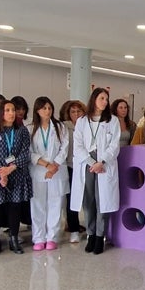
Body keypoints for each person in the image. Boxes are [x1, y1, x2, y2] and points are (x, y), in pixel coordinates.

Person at [72, 87, 122, 255]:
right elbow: (77, 145)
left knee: (103, 202)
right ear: (94, 99)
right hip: (87, 163)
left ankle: (100, 236)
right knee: (89, 201)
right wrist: (91, 161)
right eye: (102, 98)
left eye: (106, 99)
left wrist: (101, 162)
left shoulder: (112, 121)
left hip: (104, 164)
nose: (105, 102)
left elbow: (114, 145)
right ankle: (91, 234)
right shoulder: (82, 121)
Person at [0, 100, 32, 255]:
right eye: (7, 110)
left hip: (16, 173)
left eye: (13, 110)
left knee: (14, 207)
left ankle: (14, 238)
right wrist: (1, 172)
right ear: (0, 113)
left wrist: (11, 169)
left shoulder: (21, 131)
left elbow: (25, 152)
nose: (11, 113)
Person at [29, 96, 68, 251]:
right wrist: (46, 165)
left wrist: (54, 165)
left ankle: (52, 237)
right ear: (37, 110)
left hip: (57, 171)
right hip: (39, 171)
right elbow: (29, 152)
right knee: (38, 204)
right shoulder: (30, 128)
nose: (47, 111)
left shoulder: (60, 128)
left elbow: (64, 149)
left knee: (55, 204)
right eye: (44, 108)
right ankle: (38, 238)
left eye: (50, 108)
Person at [60, 100, 87, 244]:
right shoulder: (64, 127)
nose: (76, 114)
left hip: (87, 167)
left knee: (88, 199)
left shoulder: (88, 126)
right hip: (70, 167)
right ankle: (74, 230)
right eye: (73, 112)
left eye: (79, 111)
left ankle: (91, 227)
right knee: (71, 200)